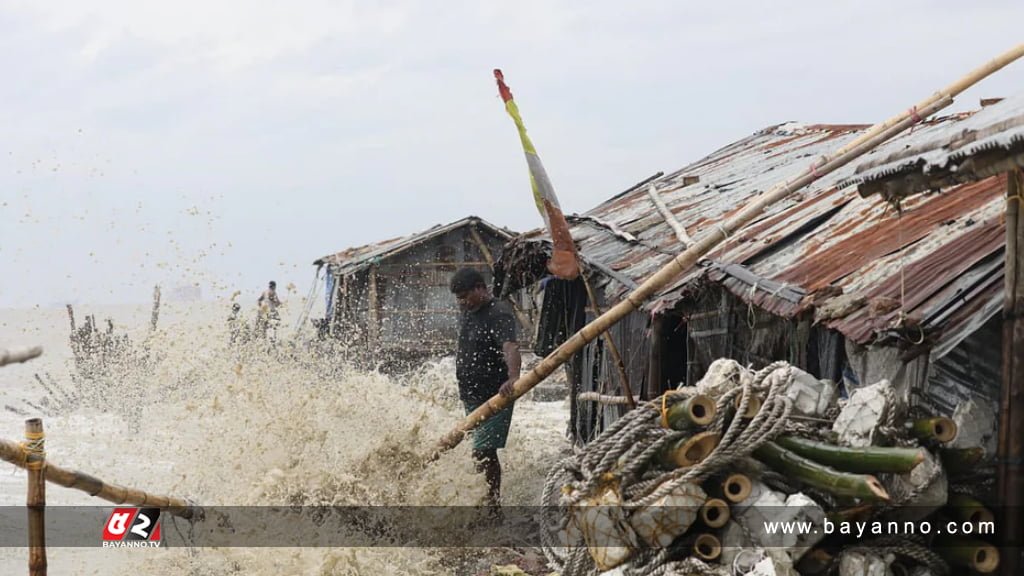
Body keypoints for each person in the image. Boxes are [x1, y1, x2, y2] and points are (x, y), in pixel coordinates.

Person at [449, 267, 521, 509]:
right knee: (481, 451)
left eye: (465, 296)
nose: (462, 302)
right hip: (471, 394)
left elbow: (510, 346)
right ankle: (487, 503)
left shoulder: (498, 313)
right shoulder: (468, 310)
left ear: (480, 288)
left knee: (483, 451)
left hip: (496, 395)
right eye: (458, 298)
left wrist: (513, 377)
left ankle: (492, 506)